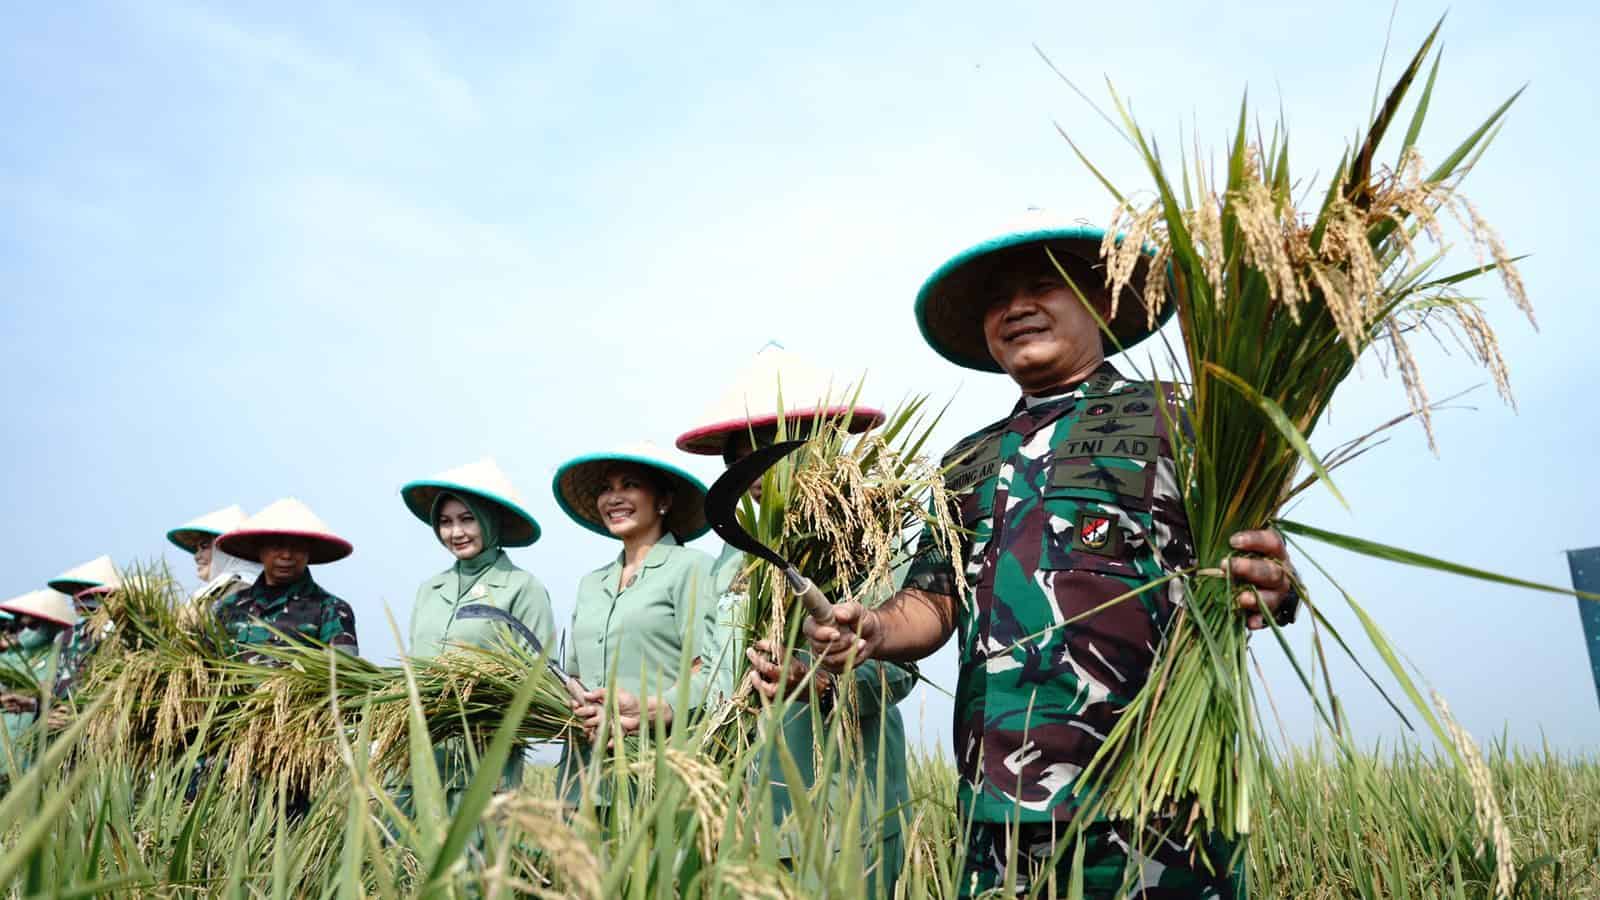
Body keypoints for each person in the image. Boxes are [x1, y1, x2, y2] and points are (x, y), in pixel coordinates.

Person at [805, 211, 1299, 898]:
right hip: (998, 812)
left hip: (1155, 799)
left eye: (1044, 283)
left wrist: (1272, 583)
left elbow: (1258, 561)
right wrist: (875, 630)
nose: (1017, 308)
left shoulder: (1179, 419)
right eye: (997, 299)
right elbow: (935, 596)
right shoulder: (966, 461)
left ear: (1099, 299)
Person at [675, 345, 912, 897]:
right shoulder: (729, 559)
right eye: (742, 460)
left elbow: (901, 667)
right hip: (749, 809)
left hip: (844, 805)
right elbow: (716, 672)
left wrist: (821, 683)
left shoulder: (862, 539)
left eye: (773, 452)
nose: (758, 474)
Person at [550, 443, 719, 802]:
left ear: (664, 501)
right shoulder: (590, 584)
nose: (614, 497)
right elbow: (575, 678)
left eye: (629, 485)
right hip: (583, 778)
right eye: (605, 489)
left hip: (661, 770)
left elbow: (709, 671)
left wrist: (654, 708)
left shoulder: (691, 569)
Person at [399, 457, 555, 808]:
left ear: (490, 521)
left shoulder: (522, 588)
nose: (456, 532)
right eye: (446, 522)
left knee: (475, 859)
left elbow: (538, 676)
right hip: (417, 757)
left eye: (468, 519)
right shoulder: (429, 590)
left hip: (483, 759)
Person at [212, 498, 359, 662]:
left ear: (308, 553)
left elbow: (340, 674)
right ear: (260, 550)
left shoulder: (331, 610)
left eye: (297, 547)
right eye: (276, 546)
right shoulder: (227, 607)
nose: (287, 555)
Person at [0, 589, 75, 772]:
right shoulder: (9, 657)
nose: (25, 631)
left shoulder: (61, 657)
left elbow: (61, 698)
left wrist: (34, 703)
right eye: (21, 625)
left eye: (32, 626)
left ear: (50, 625)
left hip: (35, 747)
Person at [45, 556, 121, 704]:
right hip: (61, 718)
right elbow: (55, 682)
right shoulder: (67, 637)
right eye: (75, 592)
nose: (76, 597)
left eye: (84, 591)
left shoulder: (118, 632)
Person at [167, 505, 249, 583]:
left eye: (204, 546)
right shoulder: (219, 592)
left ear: (228, 549)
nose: (196, 557)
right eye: (196, 549)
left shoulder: (242, 590)